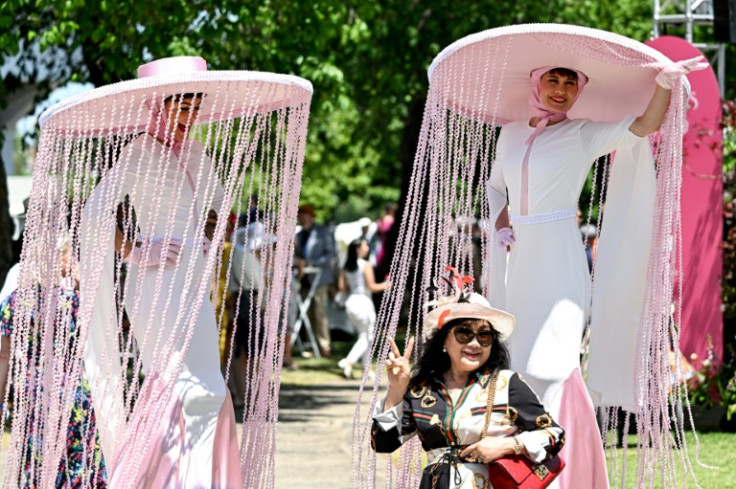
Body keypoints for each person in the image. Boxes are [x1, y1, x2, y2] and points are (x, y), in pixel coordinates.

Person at [487, 60, 707, 487]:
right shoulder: (510, 133)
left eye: (571, 83)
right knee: (519, 366)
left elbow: (643, 126)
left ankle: (567, 475)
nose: (561, 89)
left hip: (561, 264)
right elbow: (496, 186)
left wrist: (664, 83)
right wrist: (500, 223)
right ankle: (516, 475)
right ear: (536, 82)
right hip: (518, 266)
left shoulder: (582, 132)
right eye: (553, 79)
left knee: (556, 366)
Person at [81, 57, 240, 487]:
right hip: (155, 281)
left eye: (195, 107)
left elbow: (219, 208)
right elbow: (94, 212)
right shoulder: (139, 152)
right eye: (181, 106)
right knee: (179, 386)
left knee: (209, 388)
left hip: (192, 282)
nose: (190, 116)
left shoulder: (196, 152)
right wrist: (134, 249)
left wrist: (208, 235)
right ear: (159, 105)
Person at [371, 268, 564, 489]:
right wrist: (396, 390)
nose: (474, 343)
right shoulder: (423, 390)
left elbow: (555, 435)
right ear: (444, 340)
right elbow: (382, 443)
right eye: (464, 333)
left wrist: (509, 445)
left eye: (484, 335)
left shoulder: (507, 384)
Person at [0, 239, 108, 488]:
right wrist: (82, 284)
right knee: (80, 462)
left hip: (33, 395)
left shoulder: (13, 303)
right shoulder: (76, 302)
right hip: (74, 391)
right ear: (58, 258)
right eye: (69, 253)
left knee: (38, 464)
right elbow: (102, 336)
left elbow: (3, 357)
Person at [337, 238, 387, 379]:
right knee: (366, 337)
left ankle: (366, 369)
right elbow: (372, 287)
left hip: (351, 302)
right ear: (358, 248)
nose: (367, 247)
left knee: (365, 335)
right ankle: (349, 361)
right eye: (365, 245)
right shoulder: (365, 265)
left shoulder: (346, 266)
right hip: (364, 302)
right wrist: (386, 285)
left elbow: (342, 287)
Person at [295, 203, 336, 358]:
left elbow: (330, 254)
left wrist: (312, 262)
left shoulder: (323, 232)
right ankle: (311, 346)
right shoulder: (299, 235)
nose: (301, 217)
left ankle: (325, 346)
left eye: (304, 214)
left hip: (320, 278)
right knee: (307, 314)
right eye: (300, 215)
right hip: (304, 279)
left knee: (320, 313)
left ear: (311, 216)